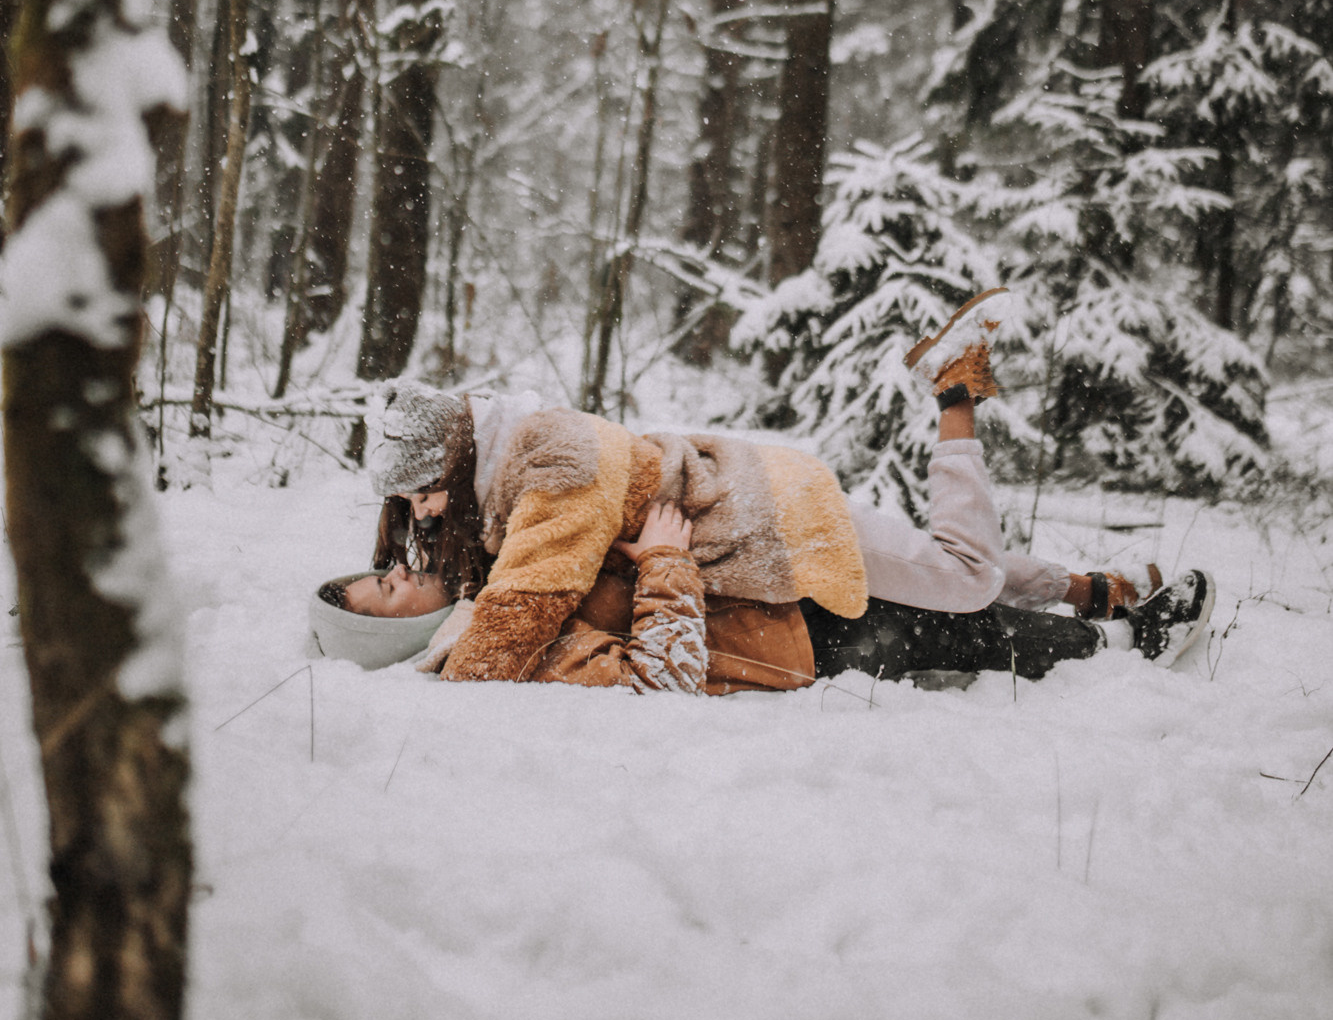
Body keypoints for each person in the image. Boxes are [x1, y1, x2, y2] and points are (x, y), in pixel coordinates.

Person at [327, 291, 1215, 693]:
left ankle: (956, 391)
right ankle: (1098, 591)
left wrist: (436, 668)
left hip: (774, 526)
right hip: (758, 528)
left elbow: (510, 631)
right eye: (411, 513)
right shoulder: (506, 472)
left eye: (425, 496)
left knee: (964, 577)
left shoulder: (546, 463)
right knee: (932, 580)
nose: (424, 521)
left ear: (457, 460)